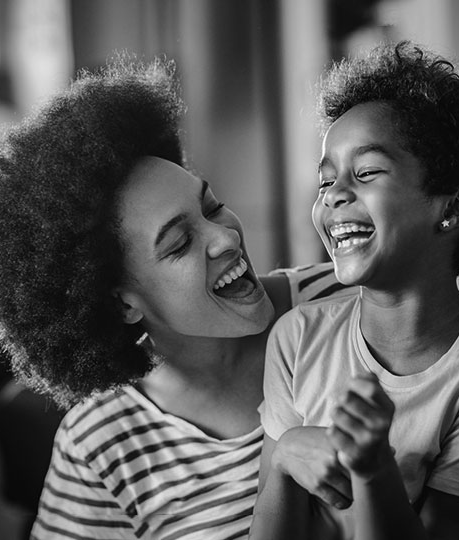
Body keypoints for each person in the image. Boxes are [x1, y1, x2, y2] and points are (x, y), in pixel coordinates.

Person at [0, 57, 353, 540]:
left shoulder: (348, 298)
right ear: (123, 303)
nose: (226, 239)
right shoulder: (100, 443)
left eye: (210, 207)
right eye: (180, 244)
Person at [250, 41, 459, 540]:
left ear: (449, 208)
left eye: (365, 173)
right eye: (326, 182)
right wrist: (285, 456)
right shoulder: (298, 337)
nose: (335, 194)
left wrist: (373, 470)